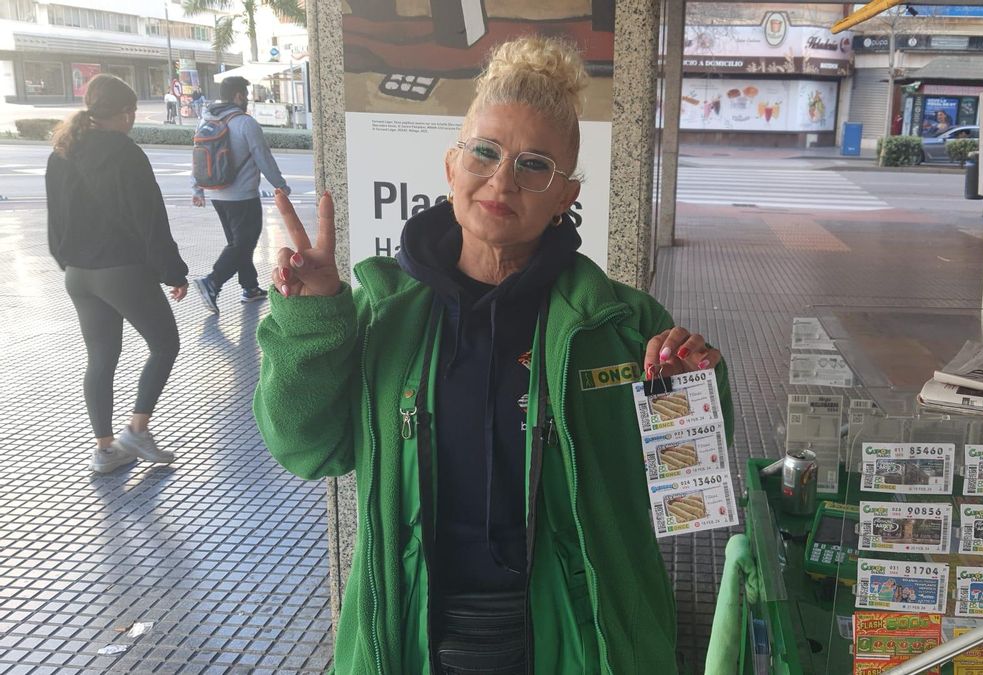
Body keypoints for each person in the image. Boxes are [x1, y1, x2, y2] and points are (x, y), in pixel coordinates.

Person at [254, 35, 731, 674]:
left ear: (567, 196)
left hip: (581, 639)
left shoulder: (619, 327)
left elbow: (686, 484)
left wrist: (695, 385)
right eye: (485, 152)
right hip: (412, 636)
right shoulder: (382, 317)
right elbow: (306, 448)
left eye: (535, 165)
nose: (502, 179)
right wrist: (311, 316)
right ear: (452, 166)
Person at [46, 74, 187, 473]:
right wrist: (172, 271)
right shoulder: (124, 152)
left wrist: (67, 261)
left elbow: (56, 219)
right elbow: (150, 218)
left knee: (101, 356)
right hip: (121, 270)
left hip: (79, 274)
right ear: (125, 113)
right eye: (133, 112)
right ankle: (136, 430)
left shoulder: (62, 150)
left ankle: (105, 450)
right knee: (164, 344)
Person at [190, 75, 291, 312]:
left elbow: (196, 156)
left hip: (217, 195)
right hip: (243, 196)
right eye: (244, 94)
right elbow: (263, 158)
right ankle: (212, 282)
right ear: (238, 96)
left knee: (237, 243)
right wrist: (281, 186)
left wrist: (197, 188)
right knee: (244, 243)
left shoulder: (206, 119)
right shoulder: (246, 123)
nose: (246, 99)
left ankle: (250, 287)